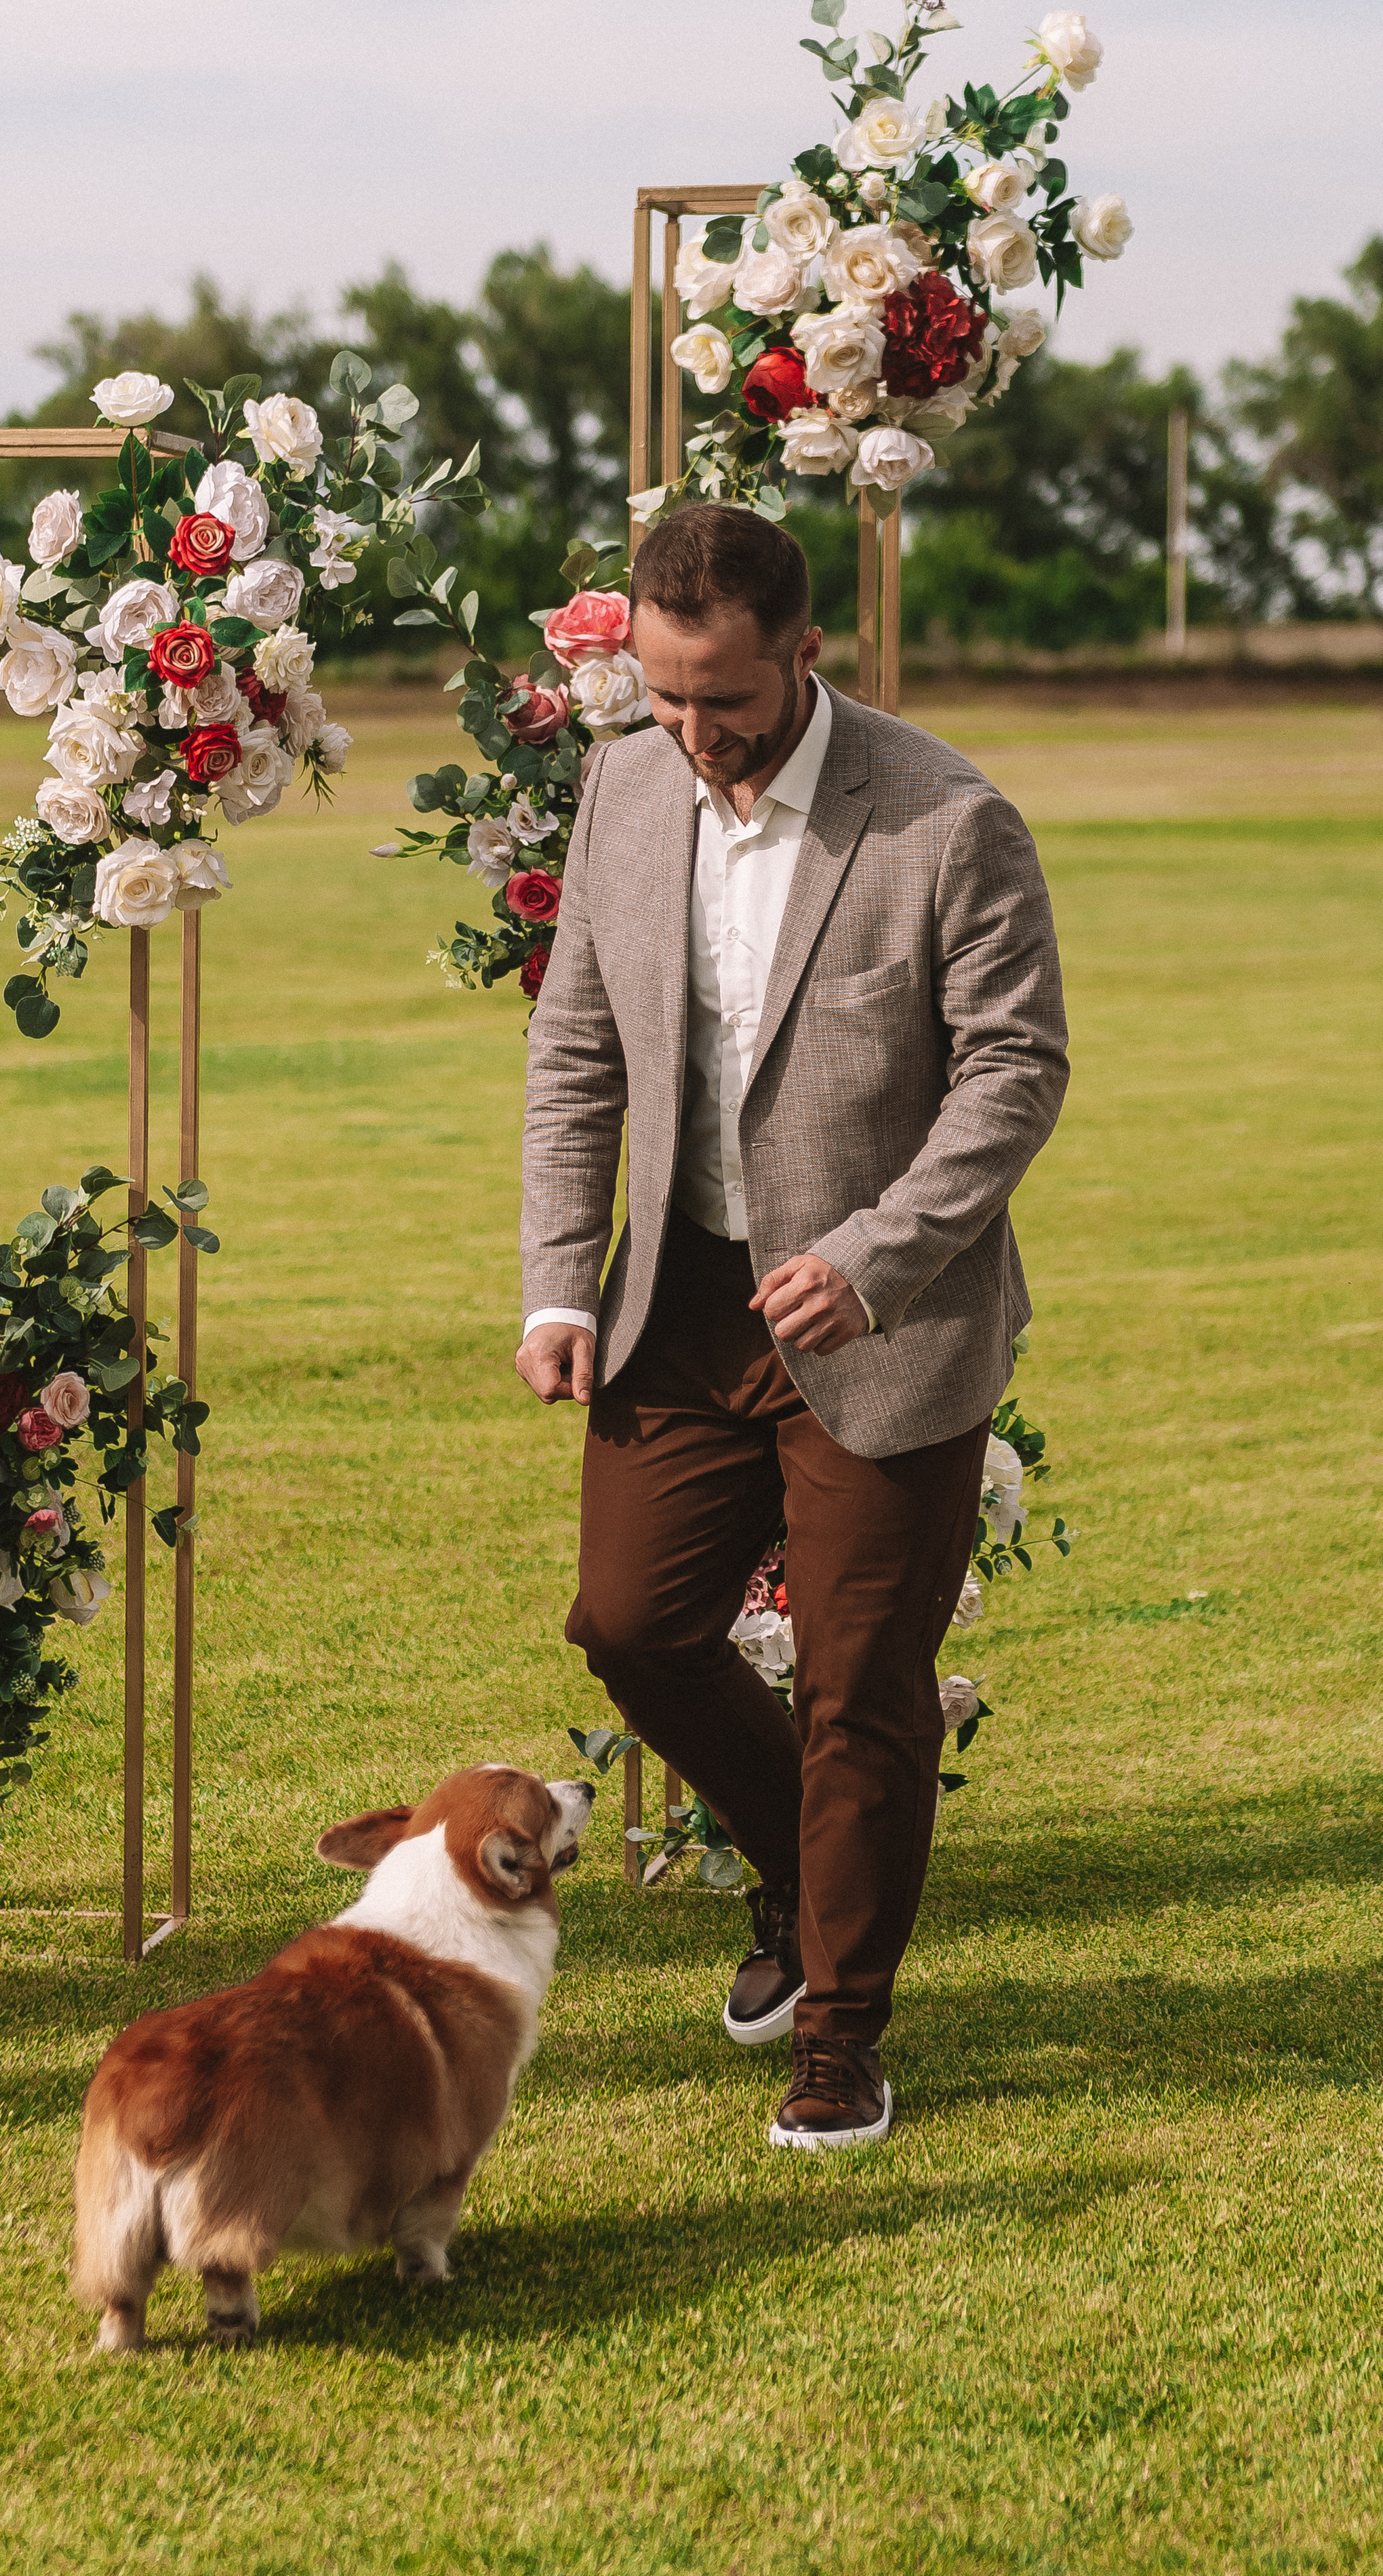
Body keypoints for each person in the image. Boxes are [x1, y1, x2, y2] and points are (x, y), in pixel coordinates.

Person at [517, 502, 1068, 2152]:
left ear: (805, 651)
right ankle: (793, 1876)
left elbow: (1013, 1073)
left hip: (886, 1326)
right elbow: (573, 1052)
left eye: (726, 706)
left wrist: (878, 1251)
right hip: (675, 1302)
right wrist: (558, 1279)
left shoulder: (947, 817)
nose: (695, 738)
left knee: (859, 1687)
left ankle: (839, 2029)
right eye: (666, 700)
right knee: (630, 1624)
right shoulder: (621, 783)